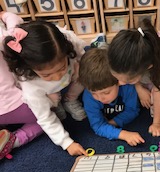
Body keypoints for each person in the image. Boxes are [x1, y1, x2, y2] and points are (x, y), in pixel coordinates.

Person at [3, 21, 88, 156]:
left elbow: (83, 54)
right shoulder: (31, 85)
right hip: (48, 94)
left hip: (71, 76)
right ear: (30, 68)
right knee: (49, 107)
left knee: (85, 72)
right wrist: (66, 143)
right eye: (46, 74)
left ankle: (69, 99)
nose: (56, 76)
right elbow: (44, 118)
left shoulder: (68, 41)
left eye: (61, 68)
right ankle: (56, 103)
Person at [107, 18, 160, 137]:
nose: (119, 83)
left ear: (147, 68)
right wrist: (139, 88)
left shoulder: (159, 66)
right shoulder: (121, 54)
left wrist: (157, 123)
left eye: (127, 80)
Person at [78, 48, 144, 146]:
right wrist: (123, 134)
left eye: (106, 92)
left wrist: (113, 122)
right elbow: (98, 125)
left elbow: (133, 110)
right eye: (94, 93)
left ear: (119, 82)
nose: (100, 98)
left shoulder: (127, 87)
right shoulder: (88, 97)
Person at [0, 11, 43, 160]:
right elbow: (15, 23)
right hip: (13, 105)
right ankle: (14, 140)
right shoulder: (3, 39)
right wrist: (4, 14)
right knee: (44, 118)